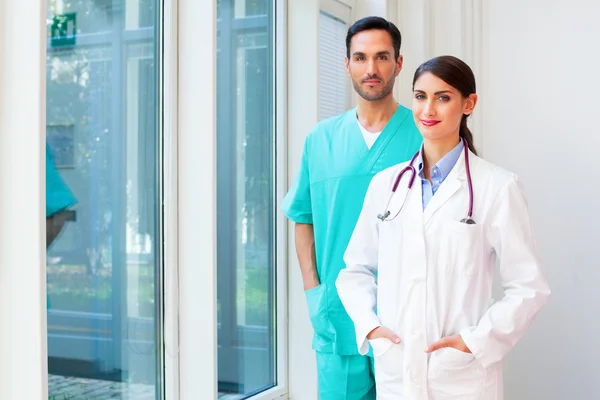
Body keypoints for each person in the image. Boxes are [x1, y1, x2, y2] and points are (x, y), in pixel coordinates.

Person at [336, 55, 551, 400]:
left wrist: (476, 341)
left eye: (443, 97)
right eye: (420, 96)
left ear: (469, 104)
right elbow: (355, 270)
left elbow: (529, 286)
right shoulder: (386, 185)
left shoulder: (497, 187)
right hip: (398, 370)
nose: (428, 109)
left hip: (461, 376)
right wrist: (371, 328)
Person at [282, 16, 422, 400]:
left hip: (407, 315)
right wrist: (314, 291)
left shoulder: (422, 135)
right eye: (360, 58)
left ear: (399, 63)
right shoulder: (321, 139)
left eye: (381, 57)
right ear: (346, 64)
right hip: (338, 315)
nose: (371, 69)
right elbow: (302, 218)